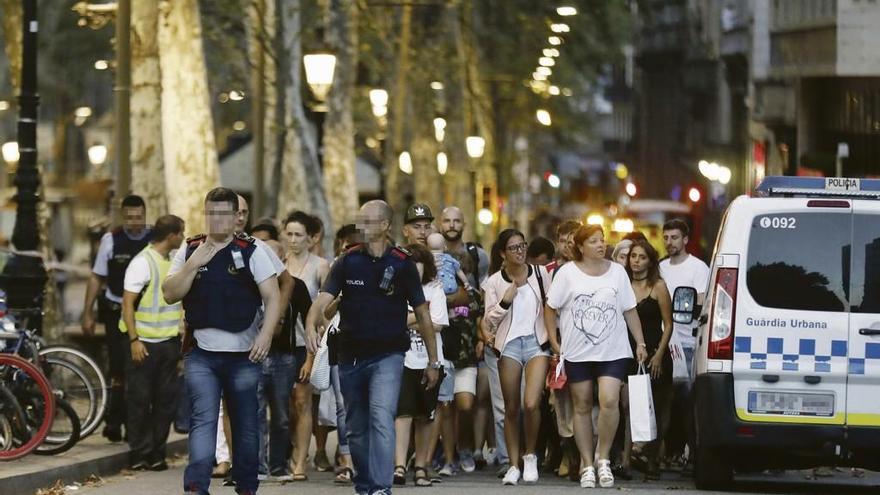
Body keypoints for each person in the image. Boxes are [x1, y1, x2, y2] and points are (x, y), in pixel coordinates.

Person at [305, 200, 440, 495]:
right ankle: (365, 482)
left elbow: (422, 314)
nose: (361, 226)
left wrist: (433, 361)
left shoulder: (402, 263)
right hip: (351, 356)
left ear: (384, 226)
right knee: (355, 426)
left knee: (382, 417)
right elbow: (321, 301)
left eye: (368, 221)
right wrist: (310, 325)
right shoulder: (347, 261)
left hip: (389, 355)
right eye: (360, 220)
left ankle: (381, 487)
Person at [163, 187, 281, 495]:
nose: (216, 221)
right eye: (210, 214)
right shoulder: (190, 249)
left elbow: (273, 295)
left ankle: (246, 486)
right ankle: (196, 487)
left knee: (245, 425)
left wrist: (266, 336)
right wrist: (193, 263)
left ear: (235, 217)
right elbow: (170, 292)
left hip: (244, 356)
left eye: (223, 214)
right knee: (203, 421)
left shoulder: (252, 249)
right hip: (202, 354)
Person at [544, 224, 648, 489]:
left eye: (602, 240)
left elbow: (629, 309)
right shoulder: (566, 274)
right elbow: (550, 307)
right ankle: (587, 463)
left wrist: (640, 342)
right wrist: (554, 341)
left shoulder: (617, 273)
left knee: (609, 400)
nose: (601, 245)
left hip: (613, 350)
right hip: (578, 351)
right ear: (580, 246)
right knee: (581, 405)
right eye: (594, 241)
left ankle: (603, 458)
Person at [483, 229, 551, 485]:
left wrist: (554, 343)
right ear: (503, 253)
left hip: (537, 344)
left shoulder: (541, 274)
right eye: (514, 248)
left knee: (531, 404)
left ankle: (530, 455)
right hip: (508, 345)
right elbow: (488, 321)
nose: (520, 251)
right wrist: (504, 303)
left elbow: (551, 308)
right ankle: (513, 464)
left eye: (522, 246)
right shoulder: (493, 282)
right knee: (510, 408)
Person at [82, 194, 152, 442]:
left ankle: (142, 425)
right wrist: (87, 312)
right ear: (123, 217)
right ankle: (114, 421)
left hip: (147, 316)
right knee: (118, 369)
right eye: (130, 217)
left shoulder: (156, 240)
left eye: (139, 217)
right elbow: (96, 277)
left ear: (145, 215)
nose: (135, 222)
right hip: (115, 312)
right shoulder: (111, 240)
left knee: (143, 370)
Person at [121, 214, 185, 471]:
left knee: (165, 402)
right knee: (139, 400)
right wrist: (134, 340)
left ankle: (157, 453)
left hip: (168, 343)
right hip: (144, 344)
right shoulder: (142, 262)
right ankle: (139, 453)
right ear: (171, 236)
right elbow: (127, 303)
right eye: (181, 233)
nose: (183, 238)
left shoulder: (171, 262)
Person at [437, 206, 491, 475]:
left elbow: (483, 296)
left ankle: (466, 449)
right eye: (446, 220)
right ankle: (445, 457)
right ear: (440, 223)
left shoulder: (477, 256)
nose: (451, 225)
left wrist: (482, 333)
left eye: (457, 220)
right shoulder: (430, 253)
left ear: (464, 224)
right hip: (437, 336)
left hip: (468, 337)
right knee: (442, 404)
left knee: (466, 403)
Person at [394, 243, 449, 487]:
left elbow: (438, 324)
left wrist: (409, 319)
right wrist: (423, 313)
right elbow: (394, 322)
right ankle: (399, 466)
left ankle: (421, 466)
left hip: (430, 359)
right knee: (402, 413)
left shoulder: (434, 289)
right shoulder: (393, 290)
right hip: (402, 360)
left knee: (426, 416)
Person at [258, 238, 312, 481]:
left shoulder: (296, 286)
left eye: (275, 257)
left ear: (282, 260)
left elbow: (310, 323)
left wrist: (309, 358)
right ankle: (256, 465)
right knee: (254, 413)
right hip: (254, 355)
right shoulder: (251, 282)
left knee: (280, 415)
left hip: (285, 357)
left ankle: (278, 465)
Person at [658, 219, 709, 469]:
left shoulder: (698, 268)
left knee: (688, 402)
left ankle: (693, 451)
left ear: (685, 239)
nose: (670, 243)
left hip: (689, 342)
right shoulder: (660, 268)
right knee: (664, 401)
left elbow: (701, 299)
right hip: (664, 343)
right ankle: (663, 453)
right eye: (666, 238)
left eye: (674, 238)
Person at [283, 211, 329, 479]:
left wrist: (314, 352)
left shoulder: (321, 266)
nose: (293, 239)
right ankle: (292, 451)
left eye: (298, 234)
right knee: (287, 405)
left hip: (308, 343)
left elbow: (325, 312)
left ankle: (300, 461)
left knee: (303, 401)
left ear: (311, 238)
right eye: (288, 233)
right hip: (281, 345)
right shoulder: (278, 263)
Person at [625, 239, 674, 480]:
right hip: (628, 352)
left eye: (642, 257)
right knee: (629, 405)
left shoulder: (659, 286)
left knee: (657, 406)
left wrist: (659, 354)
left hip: (655, 352)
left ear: (650, 261)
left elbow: (668, 324)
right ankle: (628, 455)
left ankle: (653, 457)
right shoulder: (622, 284)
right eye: (633, 256)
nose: (636, 261)